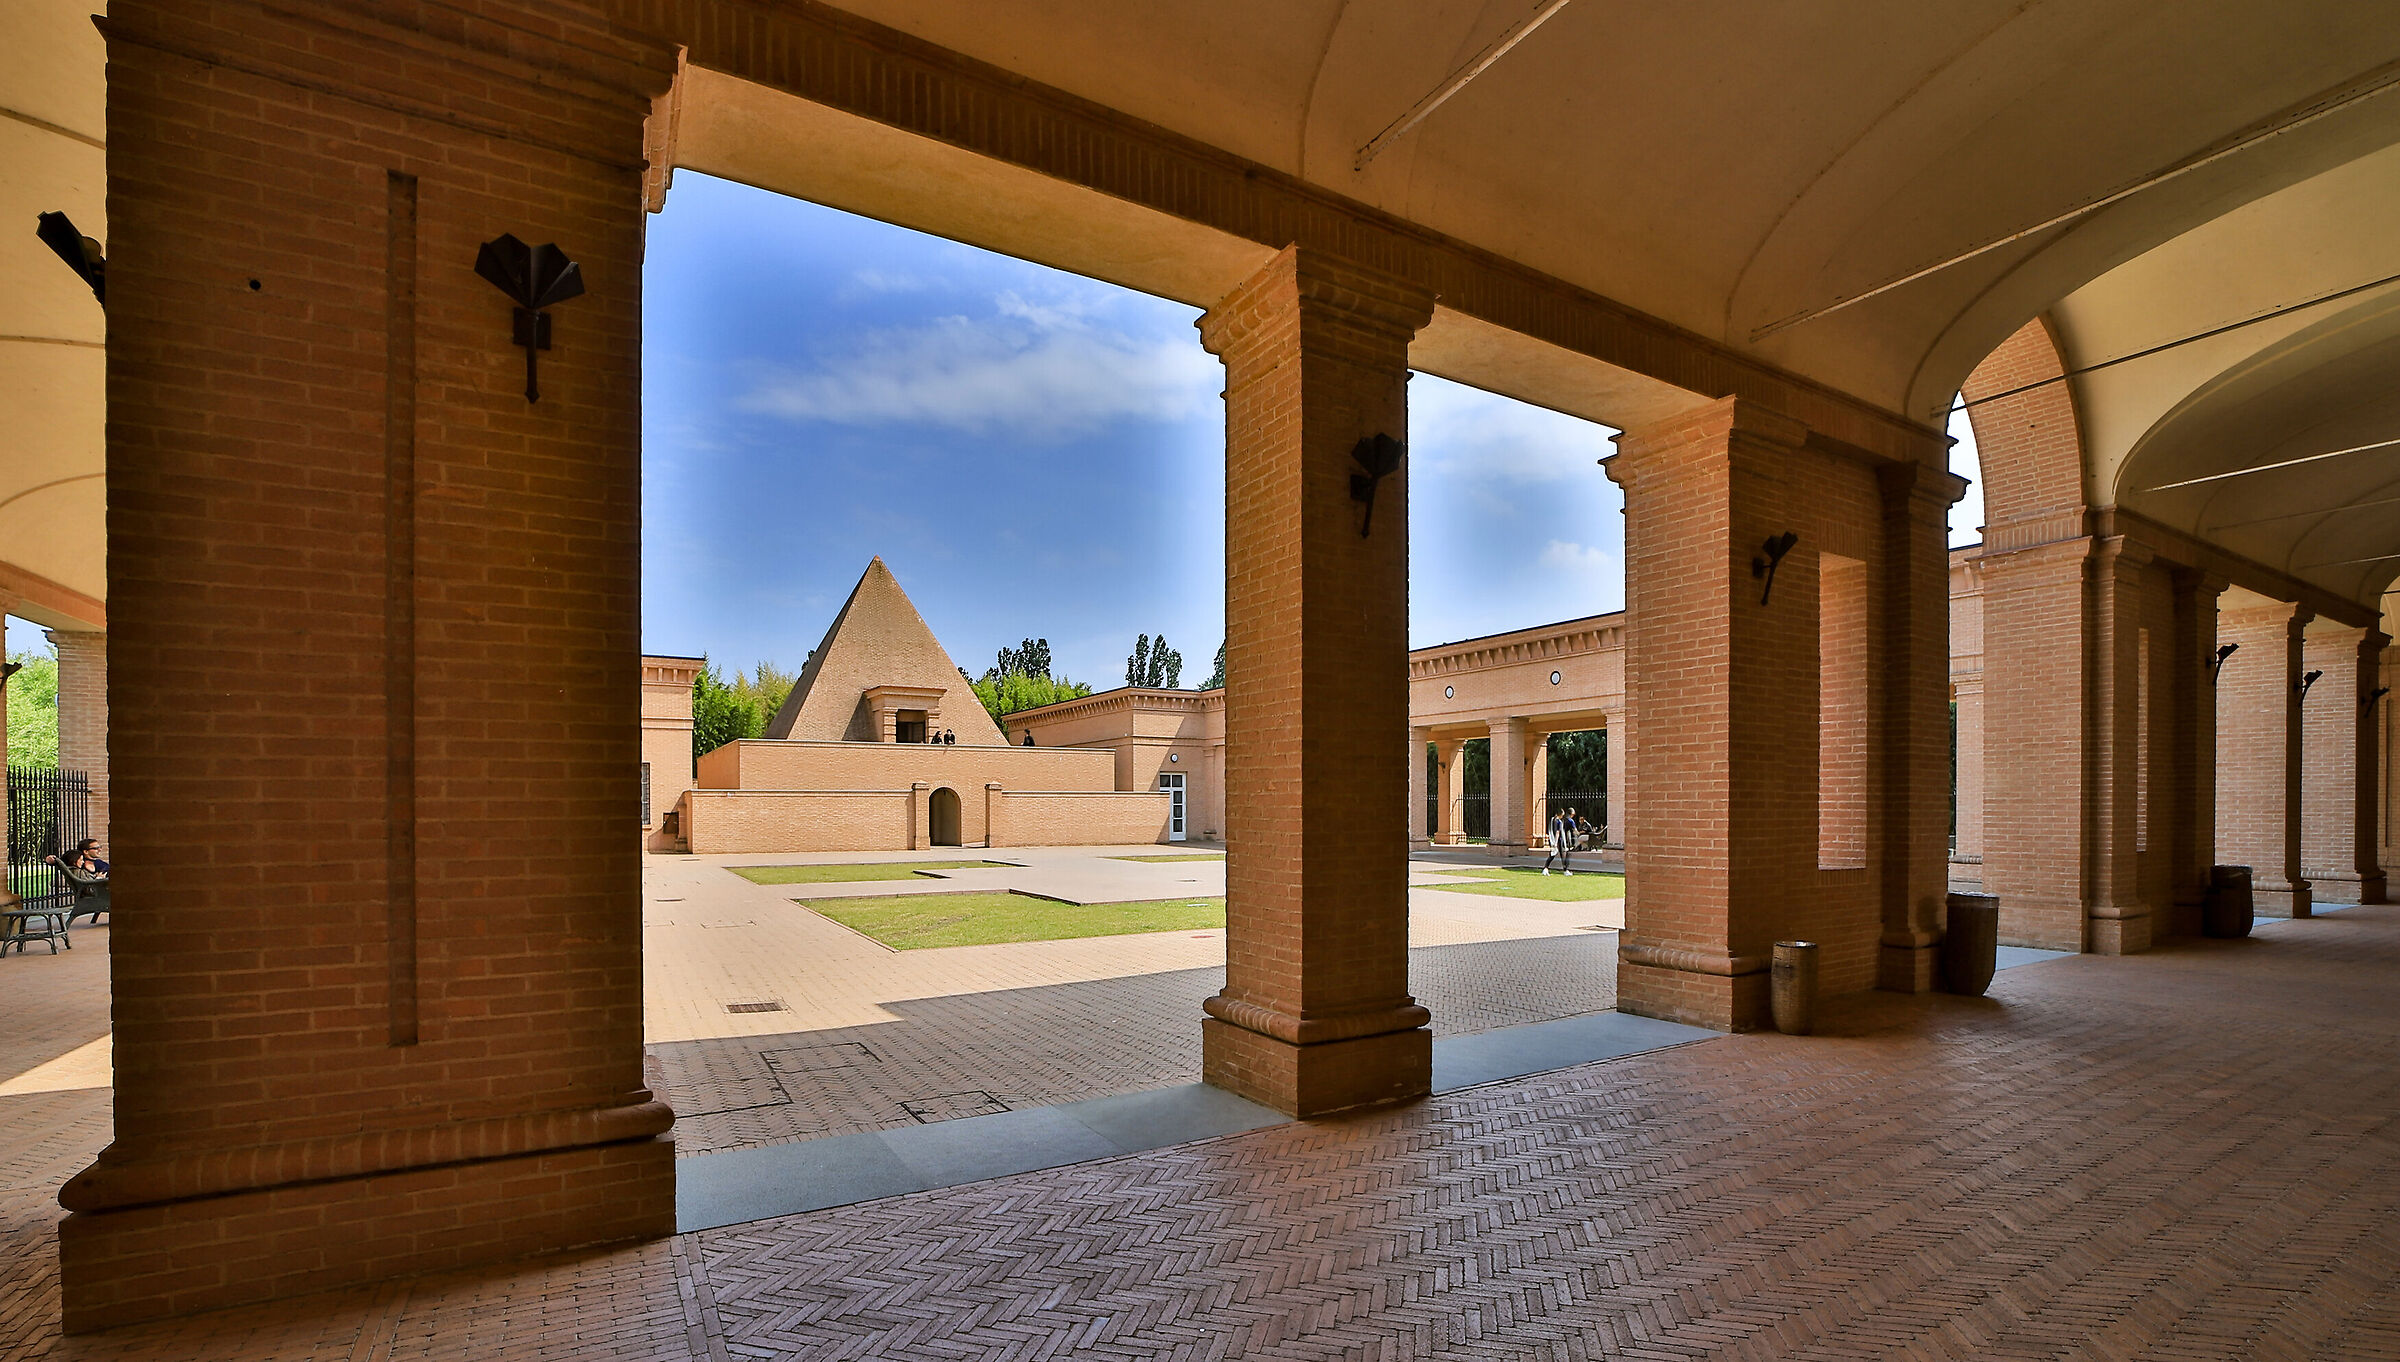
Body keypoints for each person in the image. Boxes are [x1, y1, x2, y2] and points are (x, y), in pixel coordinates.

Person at [1542, 806, 1574, 876]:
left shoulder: (1552, 820)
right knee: (1563, 855)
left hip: (1552, 839)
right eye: (1562, 815)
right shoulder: (1559, 822)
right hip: (1559, 841)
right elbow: (1558, 832)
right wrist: (1556, 842)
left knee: (1552, 855)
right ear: (1560, 814)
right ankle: (1565, 870)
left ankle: (1545, 868)